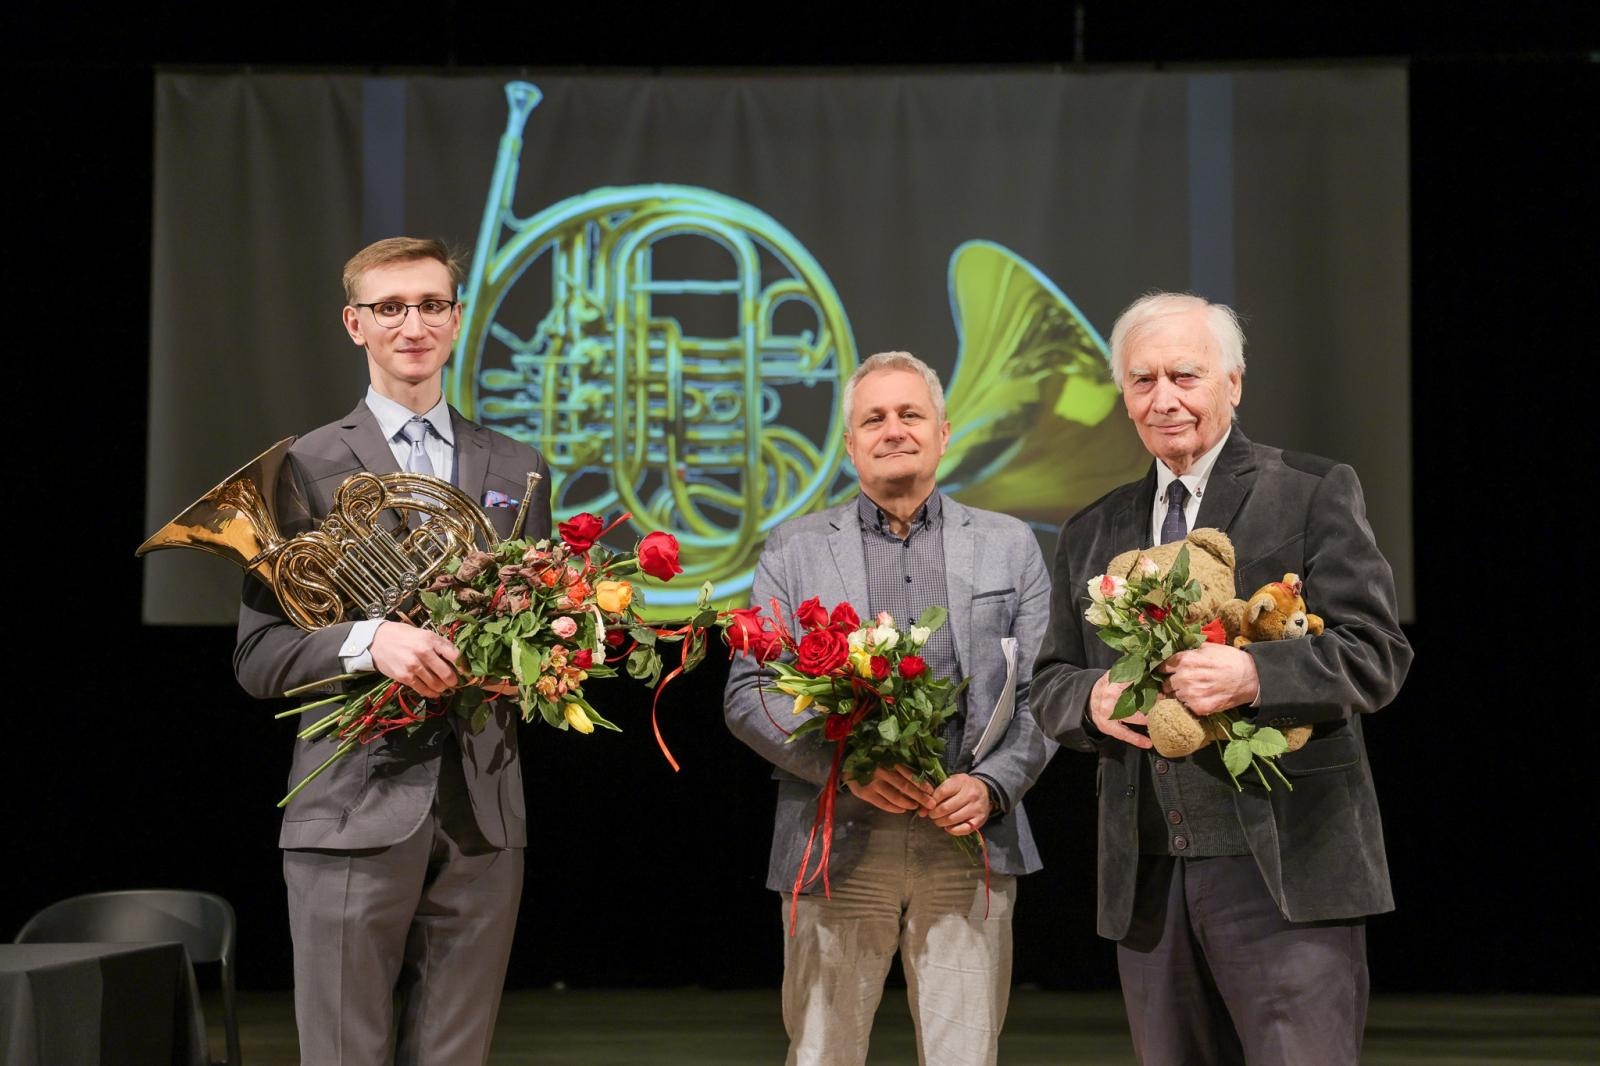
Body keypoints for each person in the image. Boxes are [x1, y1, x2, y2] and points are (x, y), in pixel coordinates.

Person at [1030, 292, 1412, 1064]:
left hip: (1288, 873)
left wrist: (1252, 672)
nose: (1163, 398)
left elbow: (1378, 654)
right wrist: (1090, 701)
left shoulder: (1311, 490)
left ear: (1232, 383)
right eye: (1142, 381)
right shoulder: (1092, 528)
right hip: (1149, 881)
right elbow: (1050, 681)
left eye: (1184, 375)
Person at [234, 237, 551, 1064]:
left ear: (456, 317)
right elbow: (260, 657)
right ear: (354, 323)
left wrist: (545, 656)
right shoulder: (301, 466)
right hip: (349, 808)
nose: (413, 324)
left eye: (431, 305)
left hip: (483, 812)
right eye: (390, 307)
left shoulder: (519, 468)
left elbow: (541, 642)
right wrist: (372, 641)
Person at [724, 351, 1053, 1066]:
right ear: (849, 446)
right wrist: (840, 769)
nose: (893, 429)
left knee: (965, 1055)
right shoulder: (793, 547)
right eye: (874, 418)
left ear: (943, 432)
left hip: (967, 839)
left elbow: (1042, 694)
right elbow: (749, 696)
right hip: (837, 836)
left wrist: (994, 784)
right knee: (822, 1053)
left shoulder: (1010, 545)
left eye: (911, 414)